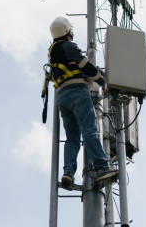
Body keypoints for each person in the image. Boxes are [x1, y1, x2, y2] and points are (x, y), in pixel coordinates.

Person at [48, 16, 118, 188]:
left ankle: (68, 173)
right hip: (78, 92)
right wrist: (102, 81)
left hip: (62, 97)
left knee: (72, 139)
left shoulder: (52, 52)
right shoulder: (68, 46)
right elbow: (85, 66)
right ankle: (102, 167)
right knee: (89, 130)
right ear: (67, 31)